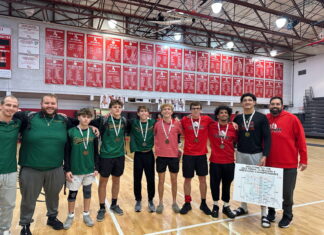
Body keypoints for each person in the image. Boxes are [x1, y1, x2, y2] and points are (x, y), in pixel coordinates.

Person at [15, 94, 75, 235]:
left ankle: (52, 217)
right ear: (41, 104)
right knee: (28, 199)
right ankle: (25, 224)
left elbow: (83, 122)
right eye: (47, 103)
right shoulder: (28, 118)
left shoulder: (64, 120)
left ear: (57, 105)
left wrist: (92, 126)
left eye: (53, 103)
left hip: (56, 168)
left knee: (53, 196)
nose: (50, 105)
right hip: (31, 168)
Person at [266, 96, 307, 228]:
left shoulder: (292, 119)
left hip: (288, 163)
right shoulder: (265, 119)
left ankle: (287, 216)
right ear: (269, 106)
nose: (275, 106)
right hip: (270, 163)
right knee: (270, 191)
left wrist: (304, 159)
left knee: (287, 193)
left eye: (277, 104)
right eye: (272, 104)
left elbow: (301, 139)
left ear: (282, 106)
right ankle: (271, 213)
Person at [233, 93, 271, 228]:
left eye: (250, 100)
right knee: (242, 181)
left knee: (260, 183)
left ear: (254, 102)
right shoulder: (237, 118)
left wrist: (265, 155)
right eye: (245, 100)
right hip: (241, 153)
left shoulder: (261, 118)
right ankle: (243, 207)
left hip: (256, 154)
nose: (247, 102)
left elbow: (267, 138)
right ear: (241, 103)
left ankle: (264, 213)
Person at [63, 108, 99, 229]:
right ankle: (70, 215)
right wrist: (67, 169)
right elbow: (66, 152)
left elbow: (96, 152)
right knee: (72, 194)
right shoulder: (71, 132)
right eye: (83, 116)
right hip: (75, 170)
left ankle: (86, 214)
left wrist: (96, 167)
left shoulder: (93, 132)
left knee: (87, 192)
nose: (86, 119)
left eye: (88, 117)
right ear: (78, 117)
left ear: (91, 119)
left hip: (89, 169)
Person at [92, 99, 127, 221]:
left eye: (119, 107)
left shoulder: (124, 120)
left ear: (122, 109)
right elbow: (88, 122)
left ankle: (114, 204)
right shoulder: (103, 120)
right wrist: (92, 126)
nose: (117, 109)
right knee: (103, 182)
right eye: (115, 107)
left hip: (119, 155)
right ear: (110, 109)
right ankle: (102, 208)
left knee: (116, 181)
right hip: (106, 156)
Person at [180, 102, 213, 215]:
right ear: (190, 110)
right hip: (188, 154)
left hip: (201, 155)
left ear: (201, 110)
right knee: (187, 179)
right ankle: (187, 203)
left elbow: (219, 125)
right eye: (193, 109)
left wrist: (232, 122)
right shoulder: (184, 120)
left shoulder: (207, 119)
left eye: (198, 108)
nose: (195, 110)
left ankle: (203, 203)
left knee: (202, 179)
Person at [208, 106, 237, 219]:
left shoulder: (234, 128)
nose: (224, 114)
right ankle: (215, 206)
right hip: (215, 161)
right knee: (214, 185)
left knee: (227, 185)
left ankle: (226, 206)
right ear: (217, 115)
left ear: (229, 115)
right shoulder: (212, 126)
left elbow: (237, 141)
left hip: (229, 161)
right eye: (221, 113)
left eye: (226, 112)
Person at [154, 104, 182, 214]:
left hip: (173, 156)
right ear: (161, 112)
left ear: (172, 111)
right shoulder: (157, 124)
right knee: (161, 181)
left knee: (174, 181)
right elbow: (154, 135)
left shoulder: (177, 124)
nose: (166, 111)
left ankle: (174, 202)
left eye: (169, 109)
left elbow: (184, 133)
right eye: (164, 109)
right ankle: (160, 203)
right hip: (161, 156)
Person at [128, 106, 156, 212]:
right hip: (138, 155)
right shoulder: (134, 123)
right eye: (141, 111)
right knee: (137, 178)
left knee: (150, 179)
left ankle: (150, 200)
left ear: (148, 113)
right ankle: (138, 200)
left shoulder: (153, 122)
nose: (143, 113)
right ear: (138, 113)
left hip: (149, 154)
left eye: (145, 111)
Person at [0, 96, 20, 235]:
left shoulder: (16, 123)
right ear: (1, 106)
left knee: (8, 205)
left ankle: (4, 229)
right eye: (8, 105)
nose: (11, 108)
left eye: (14, 106)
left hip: (11, 171)